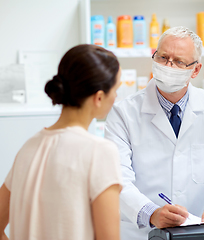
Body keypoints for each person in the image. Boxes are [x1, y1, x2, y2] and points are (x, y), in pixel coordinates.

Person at [105, 26, 204, 240]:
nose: (168, 66)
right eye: (162, 57)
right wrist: (150, 212)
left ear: (195, 70)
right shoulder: (123, 112)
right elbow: (117, 177)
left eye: (179, 61)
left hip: (197, 230)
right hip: (141, 233)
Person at [0, 44, 122, 240]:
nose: (116, 97)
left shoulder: (29, 147)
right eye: (116, 89)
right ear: (99, 97)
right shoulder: (100, 152)